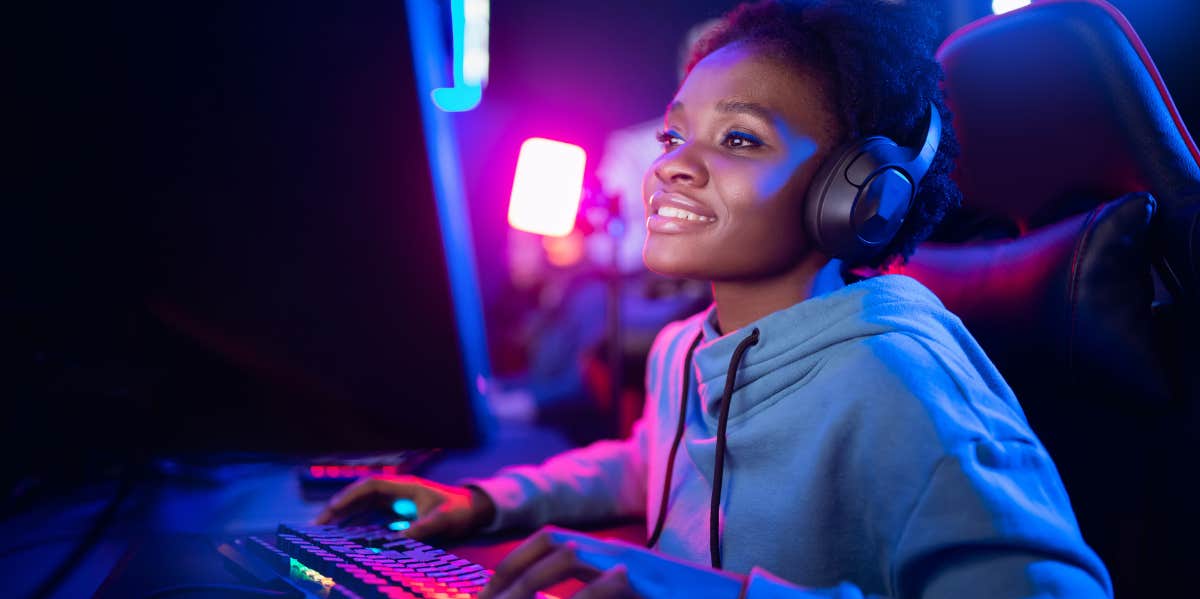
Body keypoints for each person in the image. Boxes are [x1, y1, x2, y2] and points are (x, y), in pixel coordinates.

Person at [316, 1, 1113, 597]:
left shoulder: (898, 381)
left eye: (738, 139)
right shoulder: (684, 348)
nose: (670, 167)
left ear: (857, 194)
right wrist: (483, 499)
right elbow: (646, 465)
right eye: (673, 136)